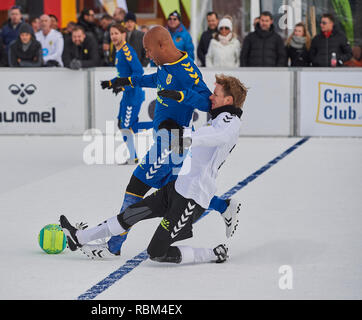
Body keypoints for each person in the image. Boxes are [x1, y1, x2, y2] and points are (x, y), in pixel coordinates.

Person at [60, 73, 248, 264]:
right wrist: (179, 133)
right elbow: (205, 139)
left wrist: (185, 136)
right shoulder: (219, 118)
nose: (210, 97)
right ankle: (79, 237)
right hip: (178, 187)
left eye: (215, 94)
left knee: (157, 252)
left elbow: (218, 136)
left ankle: (214, 254)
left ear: (228, 100)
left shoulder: (230, 121)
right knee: (130, 214)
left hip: (192, 198)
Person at [99, 26, 239, 256]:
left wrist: (183, 96)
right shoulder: (164, 66)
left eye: (148, 49)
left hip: (172, 141)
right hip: (169, 141)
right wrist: (124, 81)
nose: (147, 54)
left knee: (137, 185)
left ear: (162, 46)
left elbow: (207, 102)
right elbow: (155, 79)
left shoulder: (187, 71)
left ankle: (114, 244)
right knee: (175, 193)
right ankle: (223, 206)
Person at [100, 23, 146, 165]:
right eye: (111, 34)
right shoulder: (119, 51)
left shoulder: (127, 51)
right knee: (122, 125)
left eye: (116, 33)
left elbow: (139, 72)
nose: (113, 36)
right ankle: (133, 156)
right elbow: (123, 74)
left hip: (133, 95)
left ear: (123, 34)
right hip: (127, 95)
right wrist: (111, 83)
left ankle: (160, 125)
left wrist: (124, 87)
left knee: (127, 127)